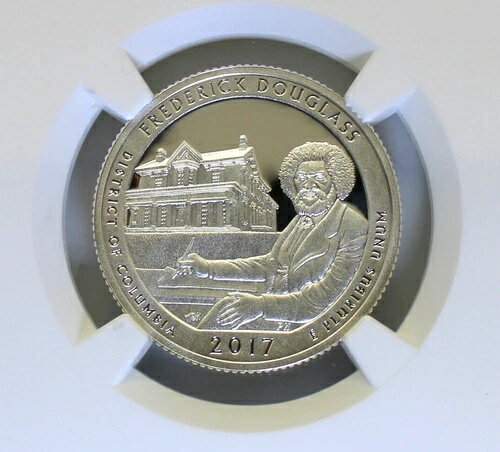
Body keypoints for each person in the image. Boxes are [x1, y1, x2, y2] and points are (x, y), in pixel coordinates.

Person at [178, 142, 368, 330]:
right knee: (226, 305)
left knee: (226, 312)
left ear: (336, 182)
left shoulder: (353, 226)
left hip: (308, 326)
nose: (308, 185)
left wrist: (259, 306)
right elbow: (269, 265)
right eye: (301, 178)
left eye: (319, 177)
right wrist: (208, 267)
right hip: (277, 314)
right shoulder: (301, 220)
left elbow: (323, 299)